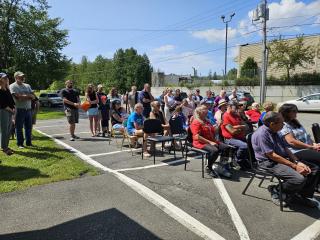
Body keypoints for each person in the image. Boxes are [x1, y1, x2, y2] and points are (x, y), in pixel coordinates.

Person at [252, 111, 319, 207]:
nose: (284, 124)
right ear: (272, 124)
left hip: (281, 158)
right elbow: (272, 155)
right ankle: (276, 190)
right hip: (268, 162)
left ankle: (302, 194)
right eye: (281, 122)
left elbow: (286, 148)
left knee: (314, 169)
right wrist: (294, 166)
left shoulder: (275, 131)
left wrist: (297, 162)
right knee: (298, 179)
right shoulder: (262, 134)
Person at [190, 106, 232, 178]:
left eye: (207, 109)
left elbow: (214, 132)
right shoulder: (196, 122)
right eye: (205, 109)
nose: (207, 110)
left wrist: (218, 125)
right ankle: (209, 168)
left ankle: (221, 166)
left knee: (226, 147)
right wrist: (210, 142)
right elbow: (197, 137)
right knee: (214, 150)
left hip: (210, 140)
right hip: (200, 142)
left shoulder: (207, 121)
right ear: (199, 112)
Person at [221, 101, 249, 169]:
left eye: (237, 107)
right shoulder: (225, 116)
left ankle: (243, 160)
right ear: (229, 107)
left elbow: (247, 126)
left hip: (239, 137)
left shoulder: (236, 115)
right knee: (244, 146)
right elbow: (232, 131)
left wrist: (237, 127)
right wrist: (241, 127)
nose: (237, 109)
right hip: (230, 138)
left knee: (252, 143)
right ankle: (237, 161)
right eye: (235, 107)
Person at [10, 71, 34, 148]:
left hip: (28, 109)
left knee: (29, 127)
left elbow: (33, 96)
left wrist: (24, 96)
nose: (23, 78)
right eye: (20, 77)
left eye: (23, 76)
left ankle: (28, 142)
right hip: (19, 109)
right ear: (16, 78)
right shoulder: (13, 86)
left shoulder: (27, 85)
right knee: (19, 127)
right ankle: (20, 144)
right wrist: (28, 96)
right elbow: (18, 97)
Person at [0, 73, 15, 155]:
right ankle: (4, 148)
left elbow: (11, 102)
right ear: (0, 80)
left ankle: (6, 146)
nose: (6, 79)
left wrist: (13, 108)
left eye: (6, 78)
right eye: (4, 78)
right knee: (4, 130)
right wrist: (11, 110)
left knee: (9, 130)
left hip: (9, 111)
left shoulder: (7, 89)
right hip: (3, 111)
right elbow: (2, 104)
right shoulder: (0, 90)